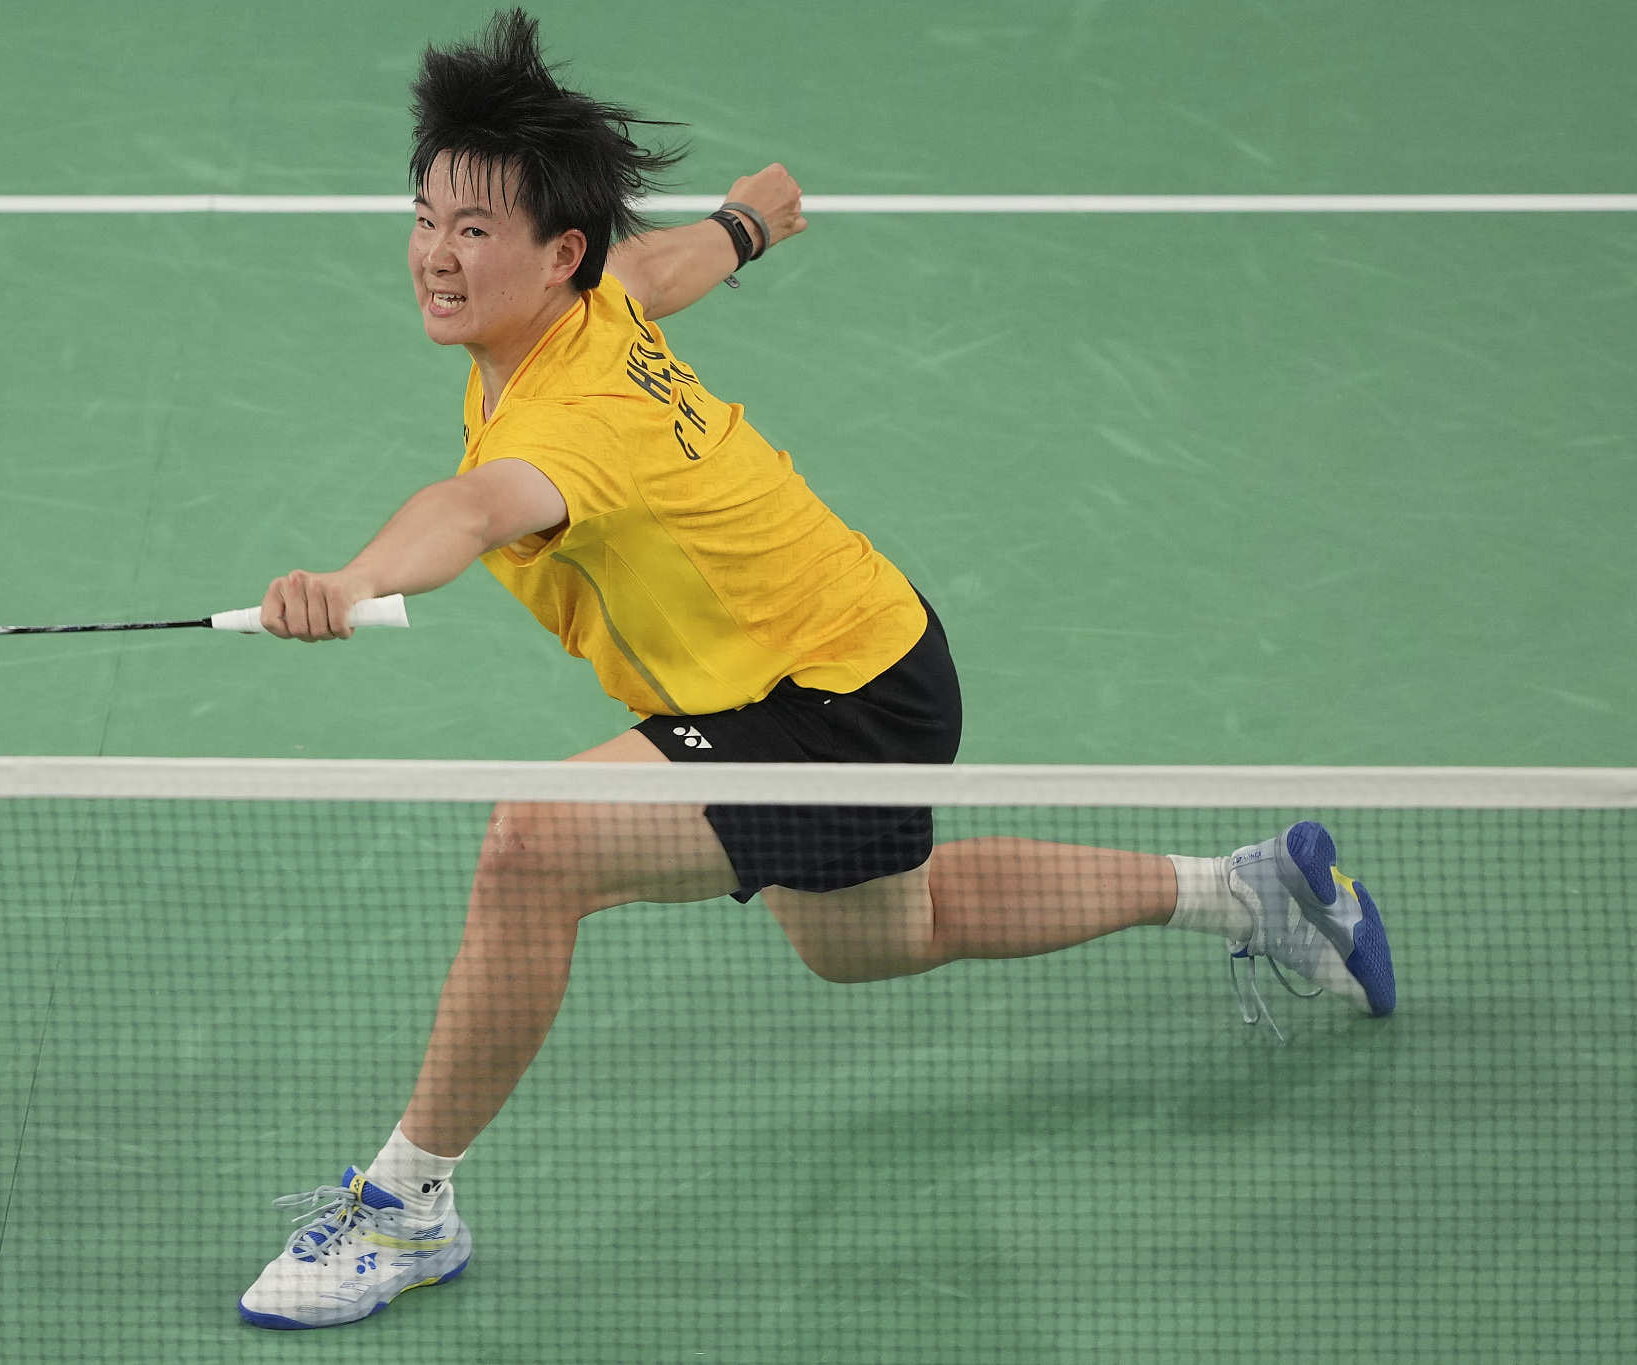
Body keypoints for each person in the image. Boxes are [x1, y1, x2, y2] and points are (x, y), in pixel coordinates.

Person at [238, 10, 1395, 1332]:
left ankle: (407, 1207)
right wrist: (742, 227)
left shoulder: (575, 419)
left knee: (534, 847)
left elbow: (474, 510)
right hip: (855, 653)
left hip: (829, 704)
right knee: (888, 937)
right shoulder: (577, 312)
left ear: (556, 254)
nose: (437, 257)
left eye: (475, 231)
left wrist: (356, 580)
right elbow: (651, 272)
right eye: (428, 216)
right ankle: (1246, 892)